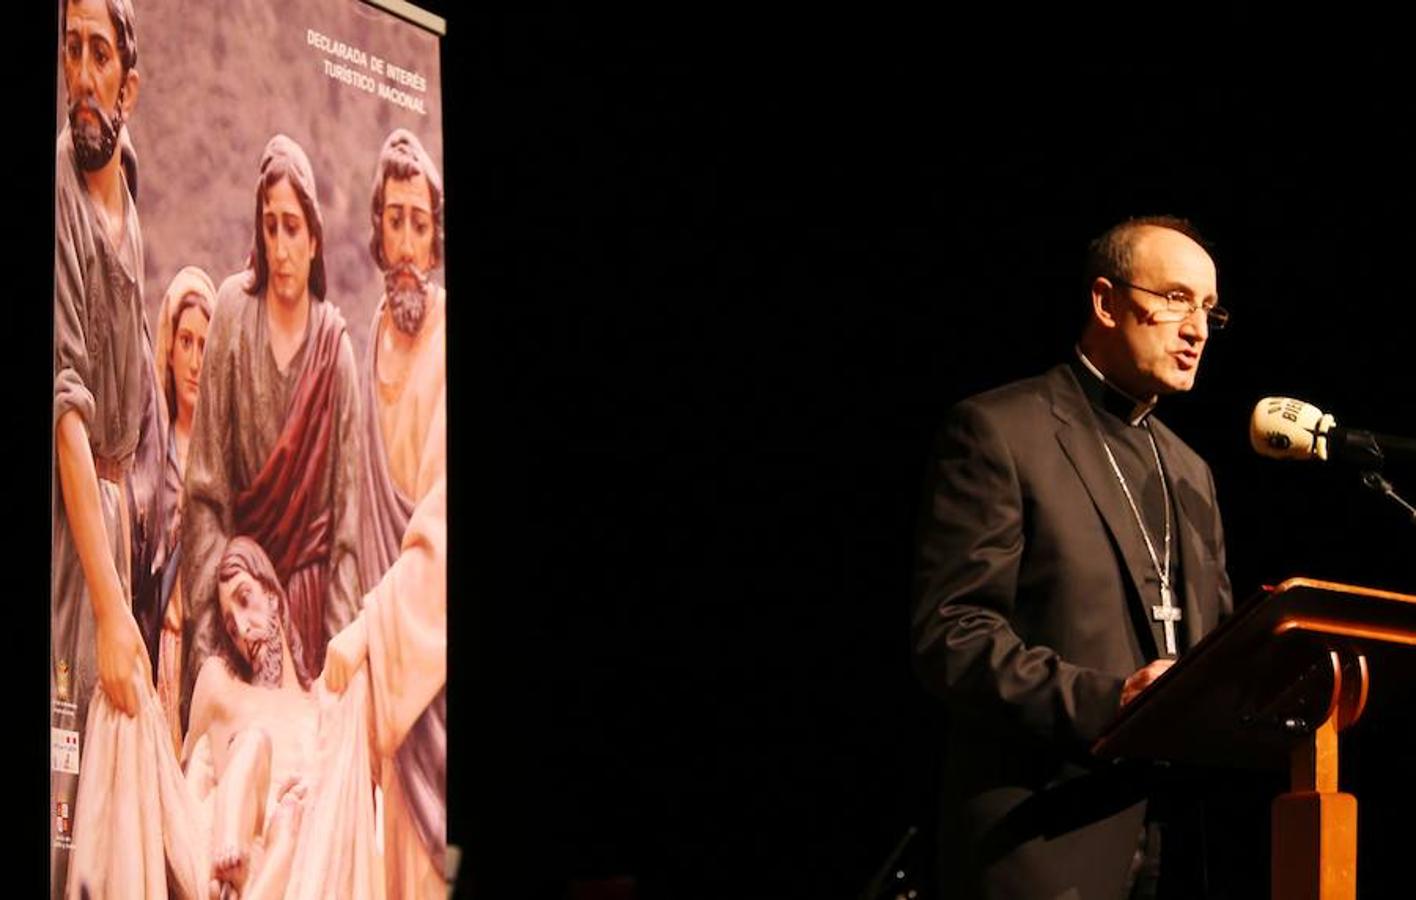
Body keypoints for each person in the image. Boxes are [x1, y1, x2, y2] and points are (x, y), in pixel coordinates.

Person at [911, 216, 1234, 899]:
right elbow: (954, 636)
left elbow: (1220, 646)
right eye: (1176, 298)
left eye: (1208, 308)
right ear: (1105, 301)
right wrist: (1108, 702)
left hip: (1180, 842)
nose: (1198, 329)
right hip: (1046, 836)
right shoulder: (1002, 431)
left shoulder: (1190, 472)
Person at [180, 133, 364, 733]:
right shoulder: (233, 312)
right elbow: (206, 494)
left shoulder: (335, 353)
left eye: (293, 228)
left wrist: (333, 679)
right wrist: (213, 646)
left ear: (315, 239)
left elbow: (346, 537)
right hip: (240, 608)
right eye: (270, 227)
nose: (281, 246)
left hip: (308, 617)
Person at [323, 127, 449, 899]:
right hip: (384, 670)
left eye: (420, 222)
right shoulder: (369, 340)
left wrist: (372, 627)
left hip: (429, 662)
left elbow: (440, 521)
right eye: (392, 220)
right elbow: (356, 510)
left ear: (437, 240)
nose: (404, 241)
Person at [52, 0, 157, 892]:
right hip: (72, 546)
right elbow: (68, 410)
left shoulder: (129, 184)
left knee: (122, 817)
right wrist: (110, 606)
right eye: (69, 52)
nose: (81, 77)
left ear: (130, 78)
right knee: (65, 792)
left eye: (99, 56)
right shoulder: (59, 190)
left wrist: (145, 587)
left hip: (123, 538)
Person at [145, 266, 217, 755]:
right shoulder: (151, 452)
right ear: (169, 349)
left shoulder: (220, 453)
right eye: (185, 342)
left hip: (210, 657)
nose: (194, 361)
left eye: (204, 346)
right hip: (164, 652)